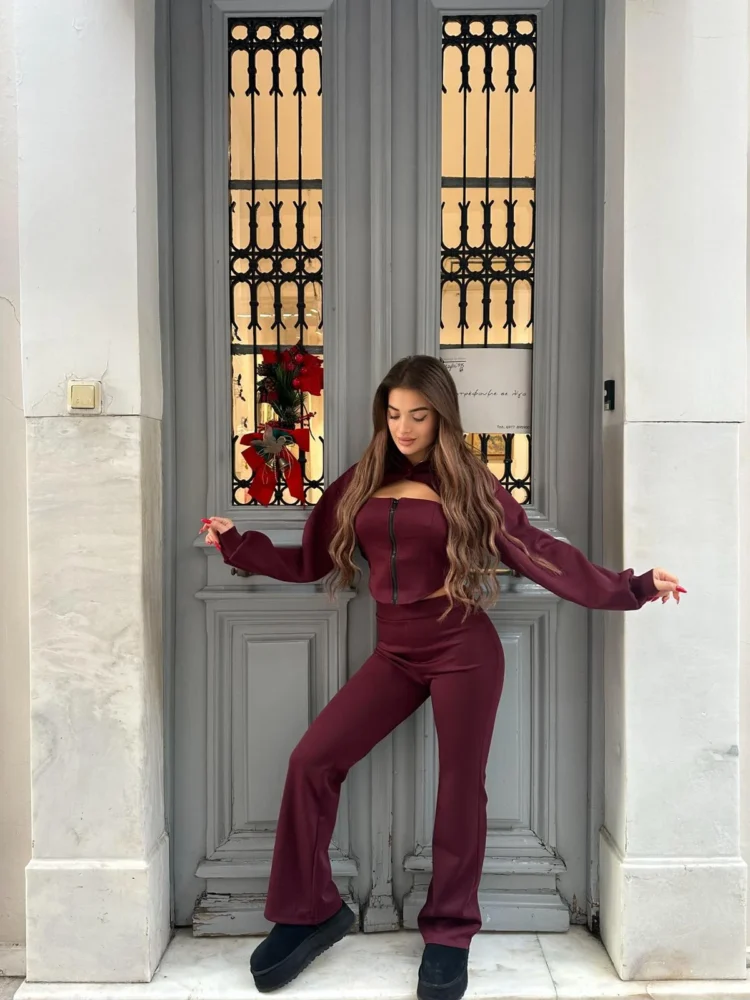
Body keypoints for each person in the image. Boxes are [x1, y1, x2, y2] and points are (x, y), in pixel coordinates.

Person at [202, 355, 683, 1000]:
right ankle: (309, 910)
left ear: (442, 418)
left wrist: (632, 587)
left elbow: (538, 551)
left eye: (419, 416)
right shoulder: (361, 479)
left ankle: (450, 932)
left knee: (459, 790)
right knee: (311, 760)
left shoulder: (468, 481)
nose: (404, 428)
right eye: (394, 414)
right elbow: (313, 559)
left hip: (463, 648)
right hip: (395, 653)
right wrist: (240, 545)